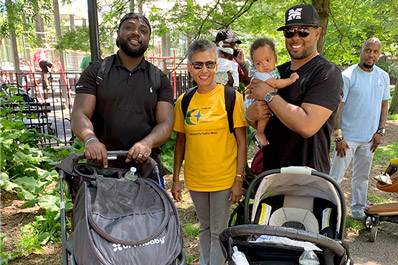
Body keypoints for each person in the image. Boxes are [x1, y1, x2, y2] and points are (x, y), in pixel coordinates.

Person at [171, 39, 247, 265]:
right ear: (189, 67)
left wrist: (238, 179)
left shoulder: (231, 97)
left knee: (218, 231)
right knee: (204, 228)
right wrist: (176, 179)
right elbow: (180, 143)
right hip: (196, 179)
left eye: (209, 64)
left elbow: (242, 142)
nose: (204, 70)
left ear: (216, 66)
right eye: (198, 65)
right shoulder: (184, 101)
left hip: (224, 178)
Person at [71, 13, 174, 174]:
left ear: (148, 40)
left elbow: (166, 123)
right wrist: (90, 140)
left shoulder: (159, 78)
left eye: (143, 31)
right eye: (129, 27)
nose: (136, 33)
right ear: (118, 34)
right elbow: (79, 113)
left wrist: (147, 143)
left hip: (145, 170)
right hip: (102, 170)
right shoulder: (96, 71)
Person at [245, 4, 343, 174]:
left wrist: (269, 96)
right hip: (271, 174)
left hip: (308, 177)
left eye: (303, 31)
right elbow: (257, 118)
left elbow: (307, 126)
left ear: (317, 33)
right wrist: (250, 114)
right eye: (289, 32)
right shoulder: (276, 73)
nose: (295, 37)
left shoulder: (327, 72)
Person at [329, 37, 390, 220]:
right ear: (362, 51)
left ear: (379, 54)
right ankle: (331, 213)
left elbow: (384, 106)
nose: (371, 55)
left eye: (375, 52)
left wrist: (380, 131)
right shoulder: (348, 76)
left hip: (370, 139)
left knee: (362, 178)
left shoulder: (383, 76)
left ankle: (357, 212)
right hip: (347, 139)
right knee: (335, 178)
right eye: (368, 50)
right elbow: (337, 108)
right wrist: (339, 136)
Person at [245, 38, 299, 146]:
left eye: (267, 60)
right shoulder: (262, 75)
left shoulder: (275, 71)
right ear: (254, 65)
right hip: (257, 101)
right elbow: (275, 84)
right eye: (259, 63)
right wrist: (291, 80)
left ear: (275, 58)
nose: (264, 65)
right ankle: (260, 133)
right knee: (264, 115)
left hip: (264, 99)